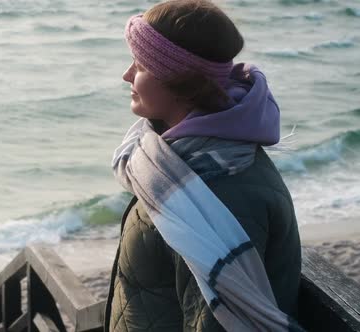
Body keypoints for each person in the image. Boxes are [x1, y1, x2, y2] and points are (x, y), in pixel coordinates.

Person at [104, 1, 303, 331]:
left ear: (180, 84)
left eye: (139, 66)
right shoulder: (173, 159)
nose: (126, 75)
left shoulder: (217, 191)